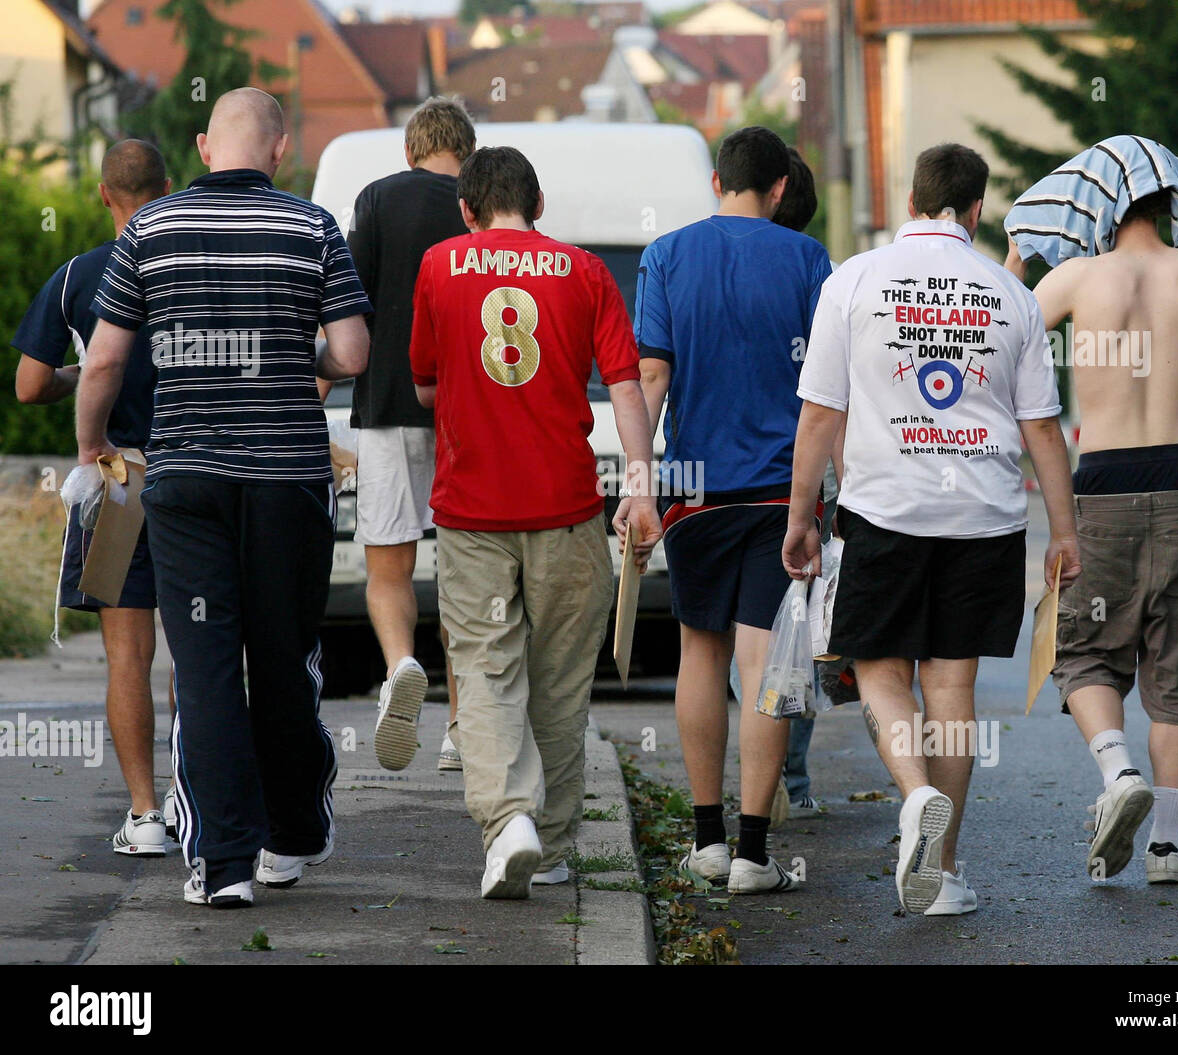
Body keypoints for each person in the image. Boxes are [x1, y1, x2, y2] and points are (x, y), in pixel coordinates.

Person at [76, 88, 371, 908]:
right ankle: (292, 838)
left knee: (204, 668)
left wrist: (91, 446)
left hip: (186, 485)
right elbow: (351, 350)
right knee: (284, 659)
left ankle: (221, 863)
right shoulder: (312, 227)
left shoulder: (150, 229)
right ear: (279, 151)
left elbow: (101, 363)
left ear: (206, 145)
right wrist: (286, 342)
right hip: (286, 482)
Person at [784, 143, 1081, 916]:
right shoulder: (1012, 295)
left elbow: (820, 414)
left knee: (882, 671)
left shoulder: (852, 280)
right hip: (984, 516)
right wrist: (1065, 531)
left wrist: (799, 519)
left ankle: (914, 793)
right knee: (952, 683)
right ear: (977, 209)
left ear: (911, 198)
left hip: (883, 511)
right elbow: (1043, 429)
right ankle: (943, 875)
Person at [409, 146, 660, 899]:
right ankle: (548, 842)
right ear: (539, 202)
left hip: (472, 511)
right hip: (569, 509)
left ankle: (506, 820)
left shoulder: (439, 265)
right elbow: (626, 385)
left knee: (486, 668)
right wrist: (642, 489)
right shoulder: (585, 272)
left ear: (467, 208)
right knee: (558, 678)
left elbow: (423, 386)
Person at [617, 126, 833, 895]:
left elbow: (649, 379)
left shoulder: (667, 255)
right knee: (764, 665)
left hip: (694, 488)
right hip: (781, 490)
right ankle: (752, 851)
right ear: (781, 189)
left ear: (718, 181)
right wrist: (817, 499)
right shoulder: (808, 259)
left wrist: (640, 488)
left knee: (697, 654)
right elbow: (825, 393)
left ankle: (706, 839)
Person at [1026, 190, 1178, 884]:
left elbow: (1006, 326)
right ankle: (1166, 846)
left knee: (1086, 650)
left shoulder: (1076, 277)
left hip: (1100, 484)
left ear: (1099, 208)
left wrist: (1019, 251)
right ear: (1169, 206)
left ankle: (1118, 768)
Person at [12, 139, 171, 855]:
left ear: (105, 196)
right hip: (199, 472)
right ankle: (210, 803)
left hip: (116, 482)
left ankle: (145, 814)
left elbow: (29, 385)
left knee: (127, 657)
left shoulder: (77, 275)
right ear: (168, 189)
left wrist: (85, 375)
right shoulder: (188, 268)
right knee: (206, 653)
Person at [345, 97, 474, 773]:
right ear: (468, 151)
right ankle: (459, 724)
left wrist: (313, 401)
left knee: (388, 568)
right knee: (462, 572)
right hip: (465, 415)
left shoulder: (375, 200)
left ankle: (400, 665)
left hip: (387, 407)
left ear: (410, 150)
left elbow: (347, 311)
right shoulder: (478, 202)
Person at [728, 145, 826, 826]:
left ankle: (741, 802)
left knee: (728, 650)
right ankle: (788, 775)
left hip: (708, 483)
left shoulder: (698, 256)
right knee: (794, 641)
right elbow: (831, 392)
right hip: (792, 481)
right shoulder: (809, 266)